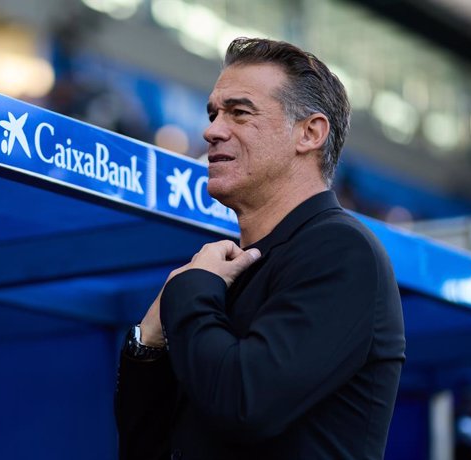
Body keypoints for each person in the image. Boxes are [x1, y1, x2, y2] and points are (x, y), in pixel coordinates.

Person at [115, 37, 406, 459]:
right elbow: (144, 447)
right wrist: (148, 344)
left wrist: (191, 290)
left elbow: (243, 406)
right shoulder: (226, 271)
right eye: (213, 113)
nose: (211, 130)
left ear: (309, 133)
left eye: (239, 112)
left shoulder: (341, 249)